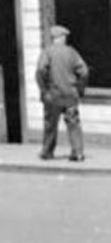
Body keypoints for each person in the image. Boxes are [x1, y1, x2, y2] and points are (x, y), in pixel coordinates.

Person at [37, 24, 90, 162]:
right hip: (70, 96)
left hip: (53, 96)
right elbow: (84, 72)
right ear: (60, 38)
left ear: (54, 38)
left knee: (50, 124)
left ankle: (47, 152)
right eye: (64, 37)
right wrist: (80, 89)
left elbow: (41, 71)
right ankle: (78, 153)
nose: (65, 39)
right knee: (73, 123)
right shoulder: (72, 52)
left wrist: (44, 90)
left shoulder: (47, 52)